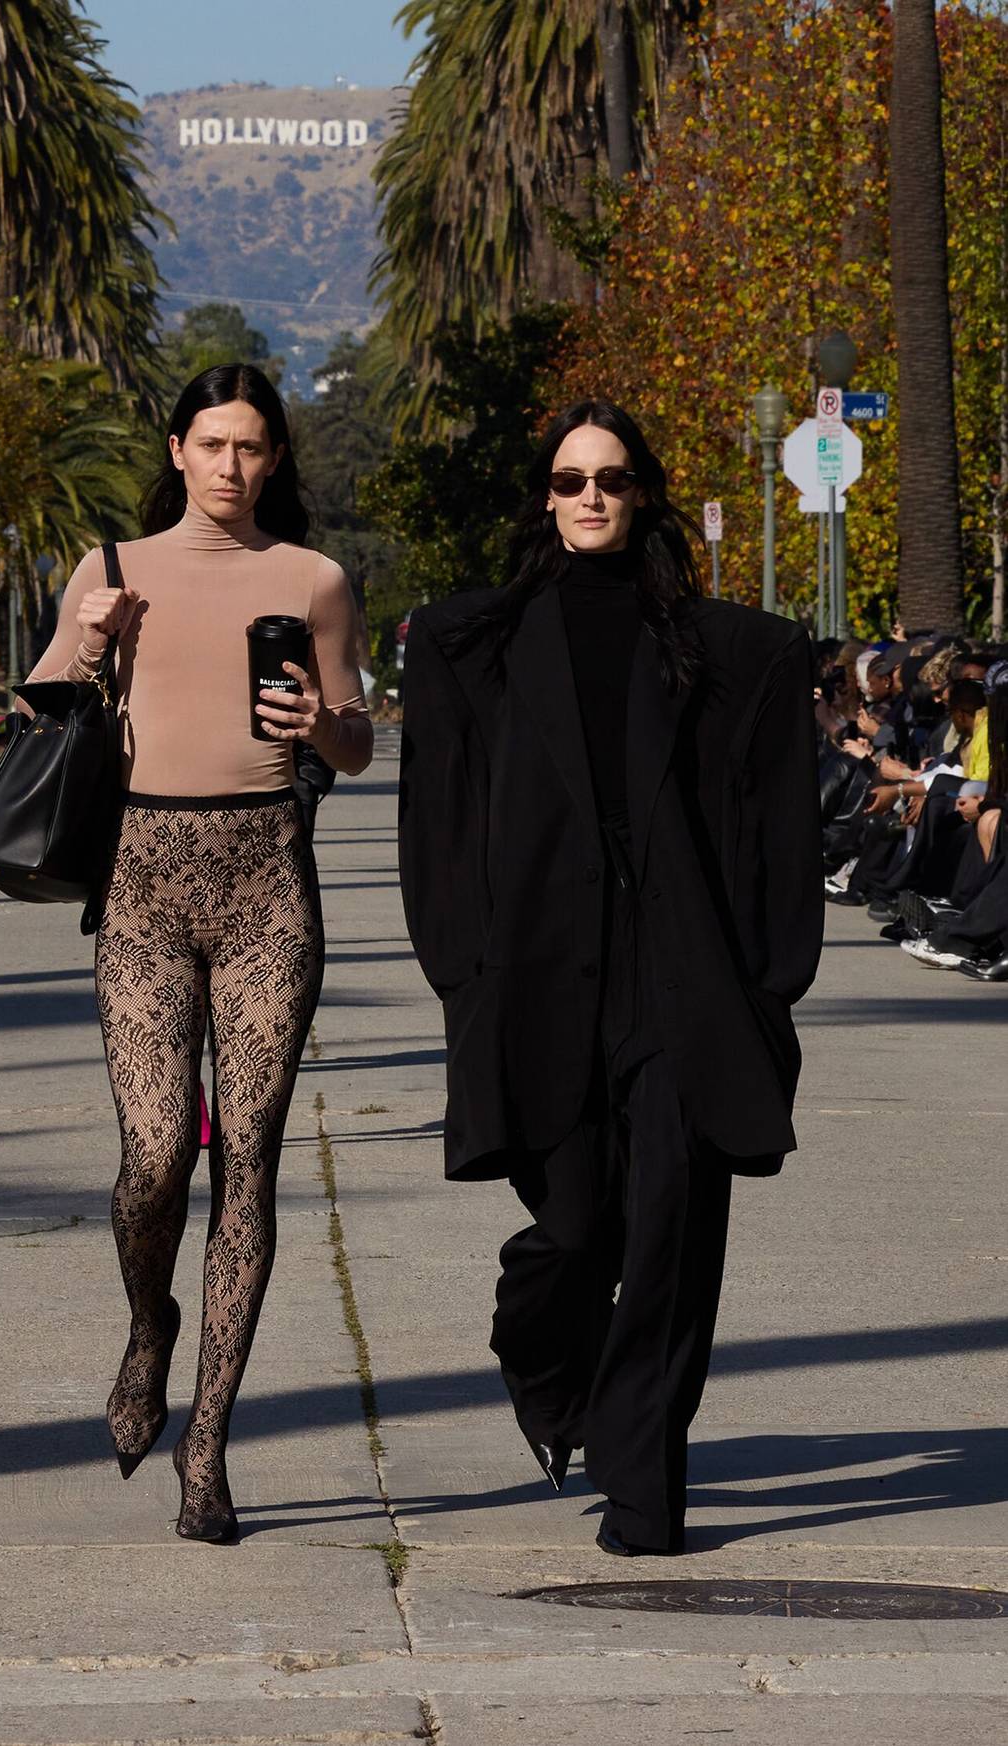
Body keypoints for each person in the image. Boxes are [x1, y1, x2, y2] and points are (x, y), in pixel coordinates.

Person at [398, 398, 823, 1558]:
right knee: (573, 1232)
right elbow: (438, 830)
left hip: (682, 977)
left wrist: (769, 982)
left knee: (675, 1230)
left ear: (644, 496)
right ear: (545, 495)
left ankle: (645, 1488)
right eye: (573, 479)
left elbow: (779, 821)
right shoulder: (468, 646)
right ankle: (545, 1363)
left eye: (614, 479)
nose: (592, 497)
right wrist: (462, 973)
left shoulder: (731, 649)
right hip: (541, 975)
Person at [27, 363, 373, 1543]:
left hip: (268, 881)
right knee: (158, 1154)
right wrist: (87, 641)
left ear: (277, 459)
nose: (232, 466)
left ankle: (209, 1446)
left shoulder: (314, 580)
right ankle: (147, 1326)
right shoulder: (113, 568)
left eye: (253, 447)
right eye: (213, 444)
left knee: (253, 1166)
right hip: (142, 882)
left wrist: (319, 724)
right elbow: (49, 711)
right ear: (176, 450)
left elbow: (361, 739)